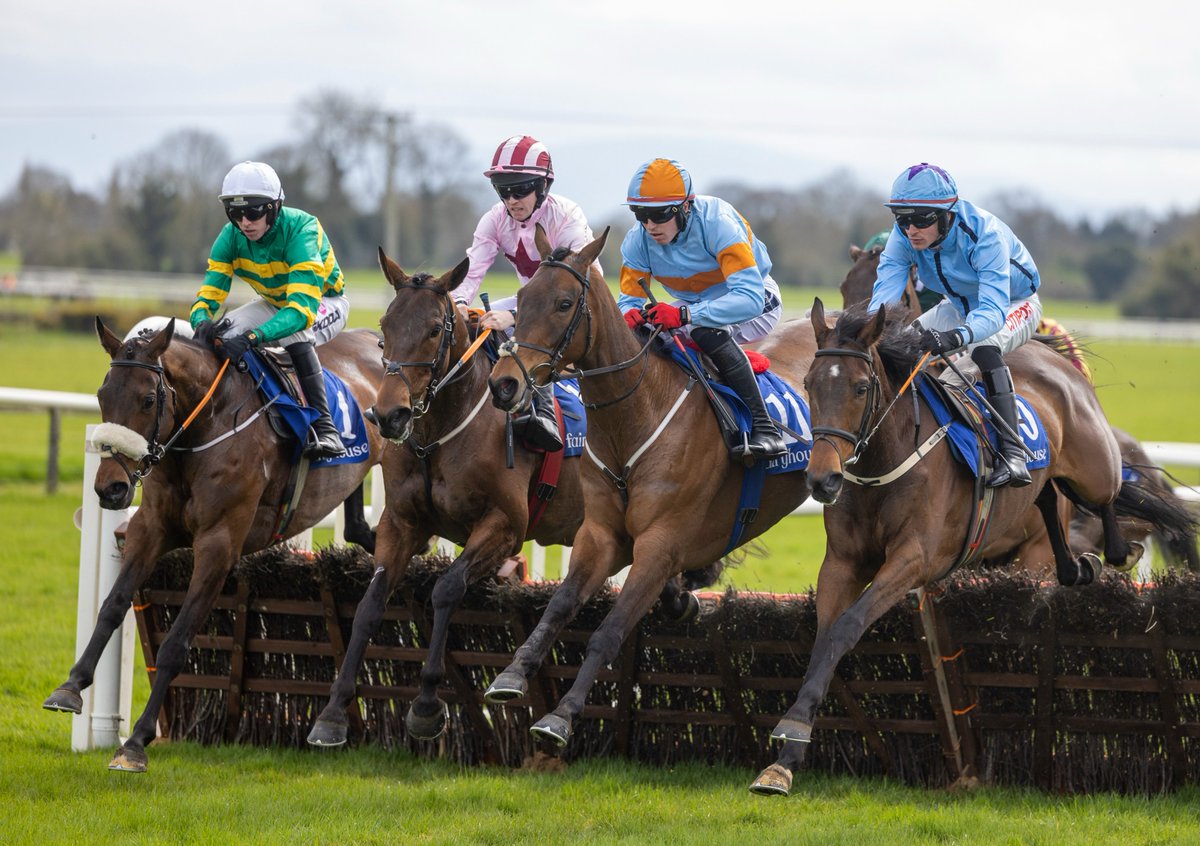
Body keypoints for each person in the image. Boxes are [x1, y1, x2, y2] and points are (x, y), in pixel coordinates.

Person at [869, 162, 1042, 487]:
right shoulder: (903, 237)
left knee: (983, 346)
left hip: (1012, 304)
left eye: (921, 219)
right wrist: (870, 333)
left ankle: (1013, 453)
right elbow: (883, 303)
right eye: (902, 219)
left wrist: (953, 338)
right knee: (897, 342)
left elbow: (991, 313)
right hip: (959, 304)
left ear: (948, 214)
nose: (911, 230)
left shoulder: (984, 235)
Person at [618, 157, 786, 459]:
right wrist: (628, 315)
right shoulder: (637, 241)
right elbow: (628, 300)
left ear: (684, 207)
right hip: (697, 304)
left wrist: (683, 315)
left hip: (755, 298)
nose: (649, 226)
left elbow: (747, 296)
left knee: (703, 329)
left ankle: (765, 428)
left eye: (658, 215)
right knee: (644, 334)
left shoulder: (718, 223)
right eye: (640, 214)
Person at [450, 135, 599, 452]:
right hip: (533, 305)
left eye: (520, 190)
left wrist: (514, 317)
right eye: (503, 191)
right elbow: (473, 268)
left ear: (542, 187)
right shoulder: (494, 220)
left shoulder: (567, 216)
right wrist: (460, 303)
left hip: (574, 306)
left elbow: (569, 290)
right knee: (467, 328)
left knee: (507, 325)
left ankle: (544, 414)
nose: (511, 200)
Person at [190, 161, 349, 459]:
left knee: (294, 333)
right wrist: (201, 324)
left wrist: (254, 338)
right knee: (221, 332)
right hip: (274, 303)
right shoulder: (230, 236)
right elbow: (208, 296)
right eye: (235, 213)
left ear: (275, 208)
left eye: (254, 212)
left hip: (324, 302)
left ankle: (326, 427)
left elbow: (301, 311)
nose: (245, 222)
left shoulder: (303, 229)